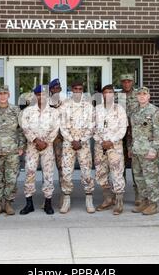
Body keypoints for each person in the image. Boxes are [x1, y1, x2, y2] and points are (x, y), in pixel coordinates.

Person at [0, 85, 26, 216]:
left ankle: (8, 203)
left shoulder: (16, 111)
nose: (2, 96)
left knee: (11, 179)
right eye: (0, 94)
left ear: (9, 95)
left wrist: (21, 146)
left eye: (5, 93)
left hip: (12, 151)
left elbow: (21, 130)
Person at [19, 85, 60, 215]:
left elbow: (56, 129)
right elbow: (25, 128)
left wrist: (46, 142)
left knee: (48, 174)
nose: (41, 97)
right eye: (38, 94)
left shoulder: (54, 112)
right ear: (35, 96)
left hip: (47, 147)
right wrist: (36, 140)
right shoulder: (28, 111)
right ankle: (29, 203)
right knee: (30, 172)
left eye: (44, 94)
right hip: (32, 147)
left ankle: (48, 202)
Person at [59, 80, 95, 214]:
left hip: (83, 144)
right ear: (71, 90)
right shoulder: (65, 105)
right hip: (69, 144)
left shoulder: (88, 106)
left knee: (86, 172)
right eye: (75, 89)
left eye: (80, 89)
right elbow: (61, 125)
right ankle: (66, 199)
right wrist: (72, 140)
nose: (78, 91)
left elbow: (92, 126)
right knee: (67, 172)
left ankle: (89, 198)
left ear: (83, 90)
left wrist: (81, 140)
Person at [129, 87, 159, 215]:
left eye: (144, 94)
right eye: (139, 94)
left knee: (151, 179)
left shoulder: (155, 111)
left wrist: (154, 149)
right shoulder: (134, 112)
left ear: (149, 96)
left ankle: (153, 204)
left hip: (148, 151)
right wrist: (131, 148)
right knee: (139, 178)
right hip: (137, 150)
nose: (142, 96)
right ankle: (144, 201)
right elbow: (132, 132)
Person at [94, 84, 128, 215]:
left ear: (114, 94)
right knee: (101, 173)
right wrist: (101, 141)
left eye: (110, 92)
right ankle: (107, 199)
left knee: (117, 173)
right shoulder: (96, 109)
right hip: (100, 147)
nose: (108, 94)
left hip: (115, 147)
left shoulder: (119, 109)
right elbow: (93, 128)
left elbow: (122, 129)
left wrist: (110, 141)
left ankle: (119, 202)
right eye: (105, 92)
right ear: (102, 94)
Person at [117, 73, 140, 206]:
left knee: (136, 165)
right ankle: (120, 194)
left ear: (132, 82)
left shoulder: (139, 95)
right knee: (120, 165)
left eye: (129, 81)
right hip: (120, 135)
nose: (126, 84)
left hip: (135, 135)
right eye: (124, 82)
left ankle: (138, 194)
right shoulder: (117, 96)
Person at [49, 78, 65, 205]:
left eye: (58, 88)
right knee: (47, 168)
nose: (56, 90)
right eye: (54, 88)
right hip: (48, 141)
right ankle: (47, 197)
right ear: (50, 90)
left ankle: (63, 194)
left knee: (62, 167)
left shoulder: (66, 103)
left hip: (61, 140)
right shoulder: (45, 103)